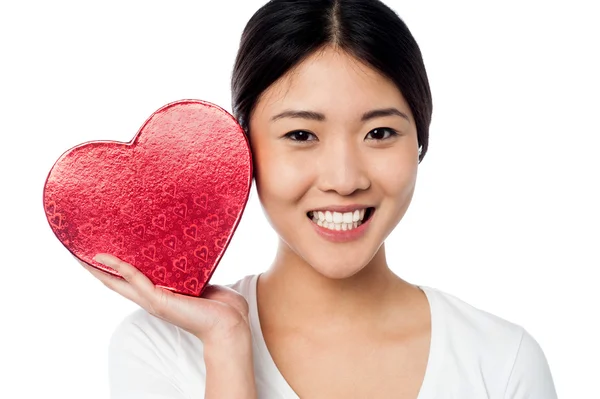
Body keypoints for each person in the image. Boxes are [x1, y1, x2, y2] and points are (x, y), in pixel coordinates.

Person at [80, 0, 558, 398]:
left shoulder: (501, 361)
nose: (344, 179)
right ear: (242, 149)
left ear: (420, 141)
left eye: (380, 132)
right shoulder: (161, 350)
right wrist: (226, 346)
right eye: (302, 134)